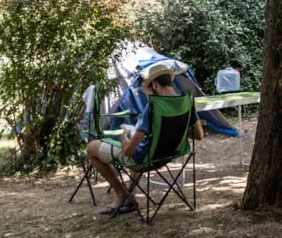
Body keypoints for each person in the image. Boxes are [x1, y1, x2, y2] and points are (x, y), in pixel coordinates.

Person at [85, 60, 204, 217]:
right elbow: (199, 135)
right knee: (141, 145)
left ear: (154, 84)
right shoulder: (187, 101)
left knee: (91, 148)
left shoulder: (154, 106)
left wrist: (124, 136)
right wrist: (174, 128)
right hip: (169, 155)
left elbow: (128, 151)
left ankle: (123, 195)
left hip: (145, 160)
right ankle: (131, 193)